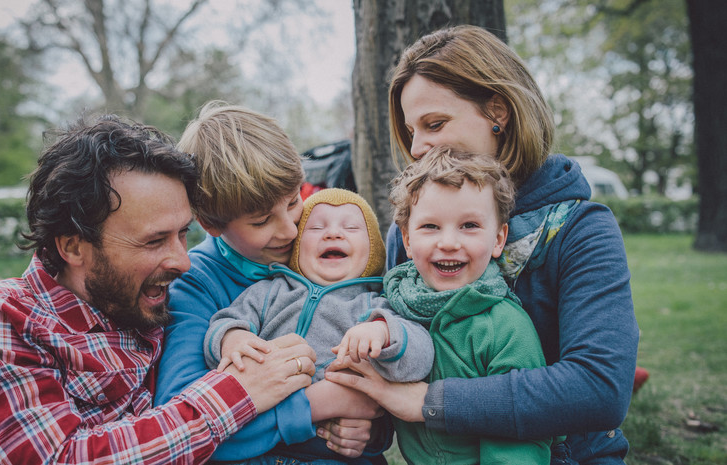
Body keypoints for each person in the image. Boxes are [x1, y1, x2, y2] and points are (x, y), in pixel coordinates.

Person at [0, 115, 317, 465]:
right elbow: (58, 457)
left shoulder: (154, 305)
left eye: (183, 234)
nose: (182, 261)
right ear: (73, 246)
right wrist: (239, 392)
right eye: (154, 241)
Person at [325, 25, 640, 464]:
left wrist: (427, 403)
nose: (417, 147)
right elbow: (387, 367)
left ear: (499, 110)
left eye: (434, 124)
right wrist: (362, 424)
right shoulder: (409, 235)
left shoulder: (580, 229)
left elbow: (599, 389)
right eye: (411, 130)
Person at [154, 102, 388, 464]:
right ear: (211, 224)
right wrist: (317, 405)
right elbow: (182, 425)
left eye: (295, 201)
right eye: (262, 221)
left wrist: (368, 427)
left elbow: (377, 398)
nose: (290, 229)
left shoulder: (328, 249)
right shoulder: (195, 285)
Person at [380, 147, 551, 464]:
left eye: (469, 225)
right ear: (406, 239)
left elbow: (518, 436)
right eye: (430, 227)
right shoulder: (395, 305)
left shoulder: (505, 327)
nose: (448, 242)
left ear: (498, 239)